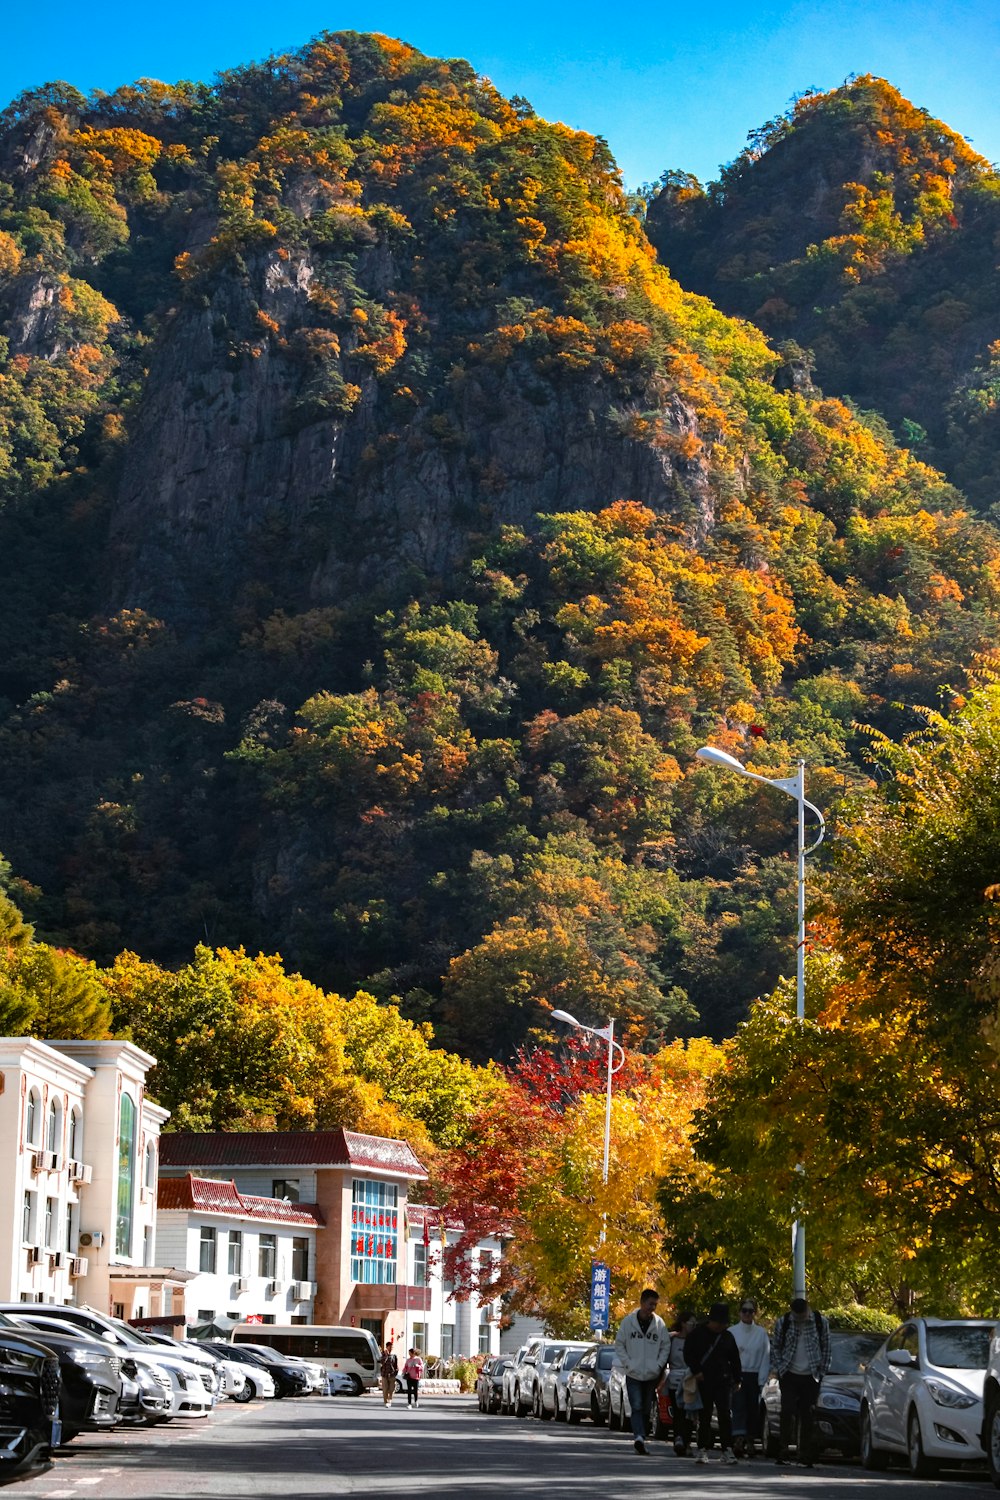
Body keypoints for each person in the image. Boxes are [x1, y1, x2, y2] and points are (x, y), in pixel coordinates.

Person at [771, 1297, 831, 1467]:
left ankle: (805, 1454)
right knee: (787, 1411)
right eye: (796, 1316)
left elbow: (826, 1346)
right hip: (789, 1373)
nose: (799, 1320)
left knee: (808, 1414)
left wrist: (822, 1371)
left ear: (807, 1310)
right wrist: (778, 1368)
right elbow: (775, 1346)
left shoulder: (820, 1322)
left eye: (802, 1316)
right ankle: (783, 1451)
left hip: (811, 1375)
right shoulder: (784, 1322)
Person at [613, 1288, 670, 1455]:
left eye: (655, 1304)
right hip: (633, 1373)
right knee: (636, 1405)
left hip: (651, 1373)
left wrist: (659, 1365)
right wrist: (628, 1363)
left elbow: (665, 1346)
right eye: (650, 1304)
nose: (652, 1307)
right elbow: (619, 1344)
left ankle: (642, 1436)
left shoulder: (659, 1324)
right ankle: (638, 1436)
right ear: (642, 1303)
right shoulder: (628, 1322)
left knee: (646, 1407)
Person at [684, 1303, 741, 1465]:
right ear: (712, 1320)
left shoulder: (727, 1336)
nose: (721, 1326)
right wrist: (696, 1371)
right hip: (703, 1379)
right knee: (705, 1416)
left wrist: (738, 1379)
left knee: (725, 1415)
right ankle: (702, 1449)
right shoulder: (697, 1334)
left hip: (723, 1380)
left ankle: (726, 1449)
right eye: (719, 1323)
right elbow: (688, 1354)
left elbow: (735, 1359)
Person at [730, 1298, 770, 1457]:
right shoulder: (732, 1332)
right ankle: (738, 1439)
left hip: (754, 1375)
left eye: (751, 1311)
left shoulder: (761, 1333)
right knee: (738, 1407)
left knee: (753, 1409)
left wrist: (761, 1380)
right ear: (740, 1312)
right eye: (744, 1310)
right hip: (737, 1374)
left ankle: (750, 1439)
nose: (747, 1314)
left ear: (755, 1313)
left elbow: (765, 1357)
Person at [665, 1311, 697, 1456]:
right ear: (683, 1323)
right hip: (674, 1379)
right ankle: (678, 1438)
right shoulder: (672, 1340)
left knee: (689, 1412)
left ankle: (687, 1441)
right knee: (678, 1411)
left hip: (690, 1379)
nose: (693, 1326)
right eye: (691, 1323)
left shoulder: (695, 1341)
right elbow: (665, 1358)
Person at [380, 1341, 399, 1407]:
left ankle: (390, 1400)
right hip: (384, 1374)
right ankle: (386, 1402)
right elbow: (382, 1362)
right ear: (387, 1347)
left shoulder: (394, 1355)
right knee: (385, 1389)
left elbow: (396, 1365)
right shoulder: (383, 1354)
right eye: (390, 1346)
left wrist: (396, 1372)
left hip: (392, 1374)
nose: (391, 1348)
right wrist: (386, 1356)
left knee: (391, 1389)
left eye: (392, 1346)